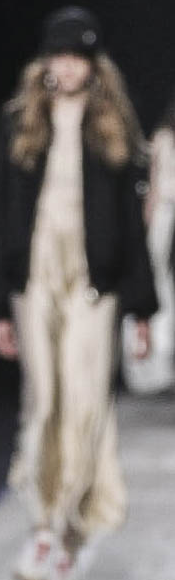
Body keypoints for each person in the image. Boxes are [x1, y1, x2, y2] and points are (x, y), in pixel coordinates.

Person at [0, 7, 157, 580]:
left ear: (94, 64)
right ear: (46, 60)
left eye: (80, 56)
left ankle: (65, 537)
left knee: (86, 405)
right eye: (61, 55)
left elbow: (131, 222)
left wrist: (144, 309)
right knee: (44, 402)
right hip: (35, 281)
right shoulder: (20, 120)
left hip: (93, 285)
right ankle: (46, 527)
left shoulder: (111, 124)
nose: (70, 66)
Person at [122, 89, 175, 394]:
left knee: (162, 282)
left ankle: (159, 362)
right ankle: (146, 364)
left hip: (165, 214)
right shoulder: (163, 137)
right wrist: (144, 220)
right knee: (154, 280)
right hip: (163, 214)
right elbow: (153, 186)